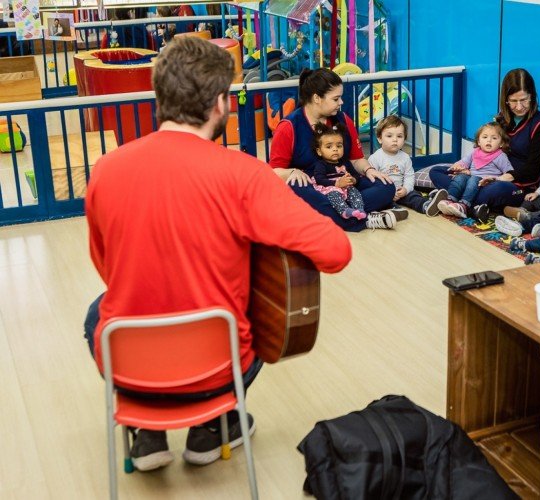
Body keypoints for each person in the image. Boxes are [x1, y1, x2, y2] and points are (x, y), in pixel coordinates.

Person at [83, 37, 351, 472]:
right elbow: (336, 251)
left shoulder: (107, 169)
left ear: (160, 96)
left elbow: (106, 267)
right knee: (263, 308)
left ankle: (146, 429)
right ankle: (214, 423)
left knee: (98, 312)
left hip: (129, 363)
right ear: (220, 104)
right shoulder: (244, 174)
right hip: (215, 365)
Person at [270, 68, 398, 231]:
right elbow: (273, 171)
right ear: (317, 98)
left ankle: (338, 214)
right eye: (336, 99)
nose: (341, 103)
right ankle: (362, 219)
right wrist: (292, 172)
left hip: (345, 182)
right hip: (312, 185)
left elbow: (356, 159)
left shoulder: (344, 120)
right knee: (298, 189)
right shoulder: (288, 127)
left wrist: (369, 169)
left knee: (386, 186)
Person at [428, 68, 540, 216]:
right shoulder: (501, 119)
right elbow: (483, 149)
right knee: (436, 171)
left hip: (514, 184)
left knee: (496, 190)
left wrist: (499, 178)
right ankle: (468, 201)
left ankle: (458, 198)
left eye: (524, 100)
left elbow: (533, 170)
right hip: (481, 177)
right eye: (513, 101)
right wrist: (466, 169)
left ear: (532, 97)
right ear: (505, 100)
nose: (519, 107)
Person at [368, 115, 445, 216]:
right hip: (384, 192)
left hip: (401, 192)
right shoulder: (375, 158)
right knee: (379, 201)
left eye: (399, 136)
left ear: (404, 139)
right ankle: (393, 211)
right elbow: (371, 181)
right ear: (379, 139)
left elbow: (409, 176)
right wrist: (388, 193)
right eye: (389, 136)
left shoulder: (405, 157)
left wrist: (405, 189)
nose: (395, 139)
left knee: (414, 196)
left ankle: (426, 205)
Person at [436, 122, 514, 220]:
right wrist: (457, 167)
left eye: (494, 138)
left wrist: (495, 179)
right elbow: (463, 162)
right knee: (459, 177)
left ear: (501, 143)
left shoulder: (500, 156)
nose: (489, 140)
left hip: (484, 184)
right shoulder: (475, 152)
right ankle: (450, 200)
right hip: (470, 179)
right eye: (485, 137)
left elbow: (510, 173)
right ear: (479, 141)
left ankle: (464, 205)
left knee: (473, 180)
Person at [311, 124, 366, 220]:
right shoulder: (321, 165)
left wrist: (353, 180)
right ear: (319, 151)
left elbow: (356, 174)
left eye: (339, 146)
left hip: (345, 187)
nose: (335, 149)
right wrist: (337, 183)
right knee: (334, 194)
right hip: (330, 188)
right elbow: (319, 179)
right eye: (329, 147)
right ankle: (344, 211)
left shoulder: (345, 162)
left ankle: (359, 210)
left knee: (354, 192)